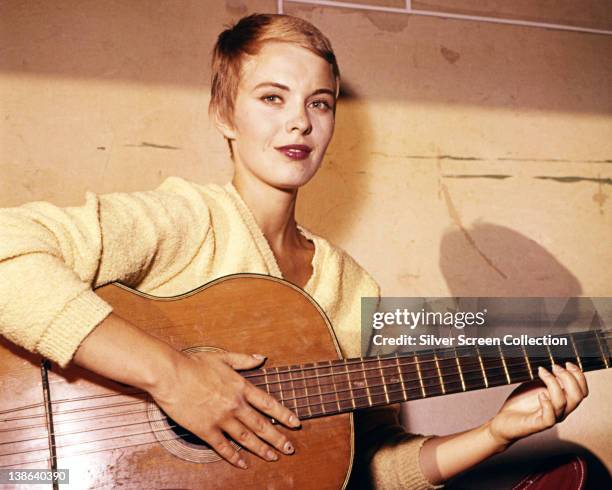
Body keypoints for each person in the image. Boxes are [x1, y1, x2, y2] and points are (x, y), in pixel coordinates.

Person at [0, 13, 588, 489]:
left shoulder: (353, 288)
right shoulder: (189, 220)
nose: (300, 123)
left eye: (319, 103)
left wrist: (498, 433)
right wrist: (173, 375)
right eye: (272, 98)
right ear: (222, 115)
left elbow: (363, 467)